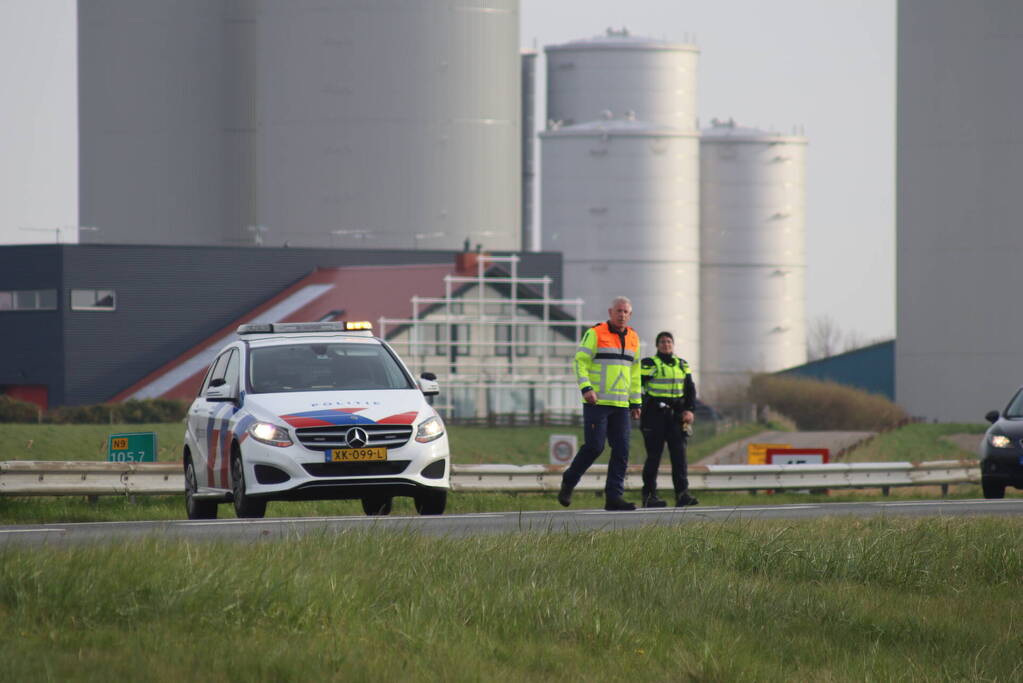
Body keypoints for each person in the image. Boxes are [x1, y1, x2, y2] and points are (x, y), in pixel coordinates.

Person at [558, 296, 643, 511]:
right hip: (597, 402)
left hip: (621, 405)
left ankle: (614, 497)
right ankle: (569, 481)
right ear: (610, 312)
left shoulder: (634, 338)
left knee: (622, 450)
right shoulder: (595, 333)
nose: (622, 315)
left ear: (630, 315)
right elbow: (580, 361)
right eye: (618, 311)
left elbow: (635, 374)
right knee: (595, 446)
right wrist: (586, 388)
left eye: (626, 312)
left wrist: (635, 402)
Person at [639, 330, 698, 507]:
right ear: (657, 345)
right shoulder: (649, 363)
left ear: (673, 344)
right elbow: (636, 386)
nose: (666, 344)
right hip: (654, 416)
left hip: (676, 417)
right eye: (663, 342)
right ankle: (649, 496)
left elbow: (690, 390)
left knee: (680, 457)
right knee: (654, 457)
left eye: (669, 342)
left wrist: (689, 410)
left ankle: (682, 494)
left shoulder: (682, 365)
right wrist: (641, 405)